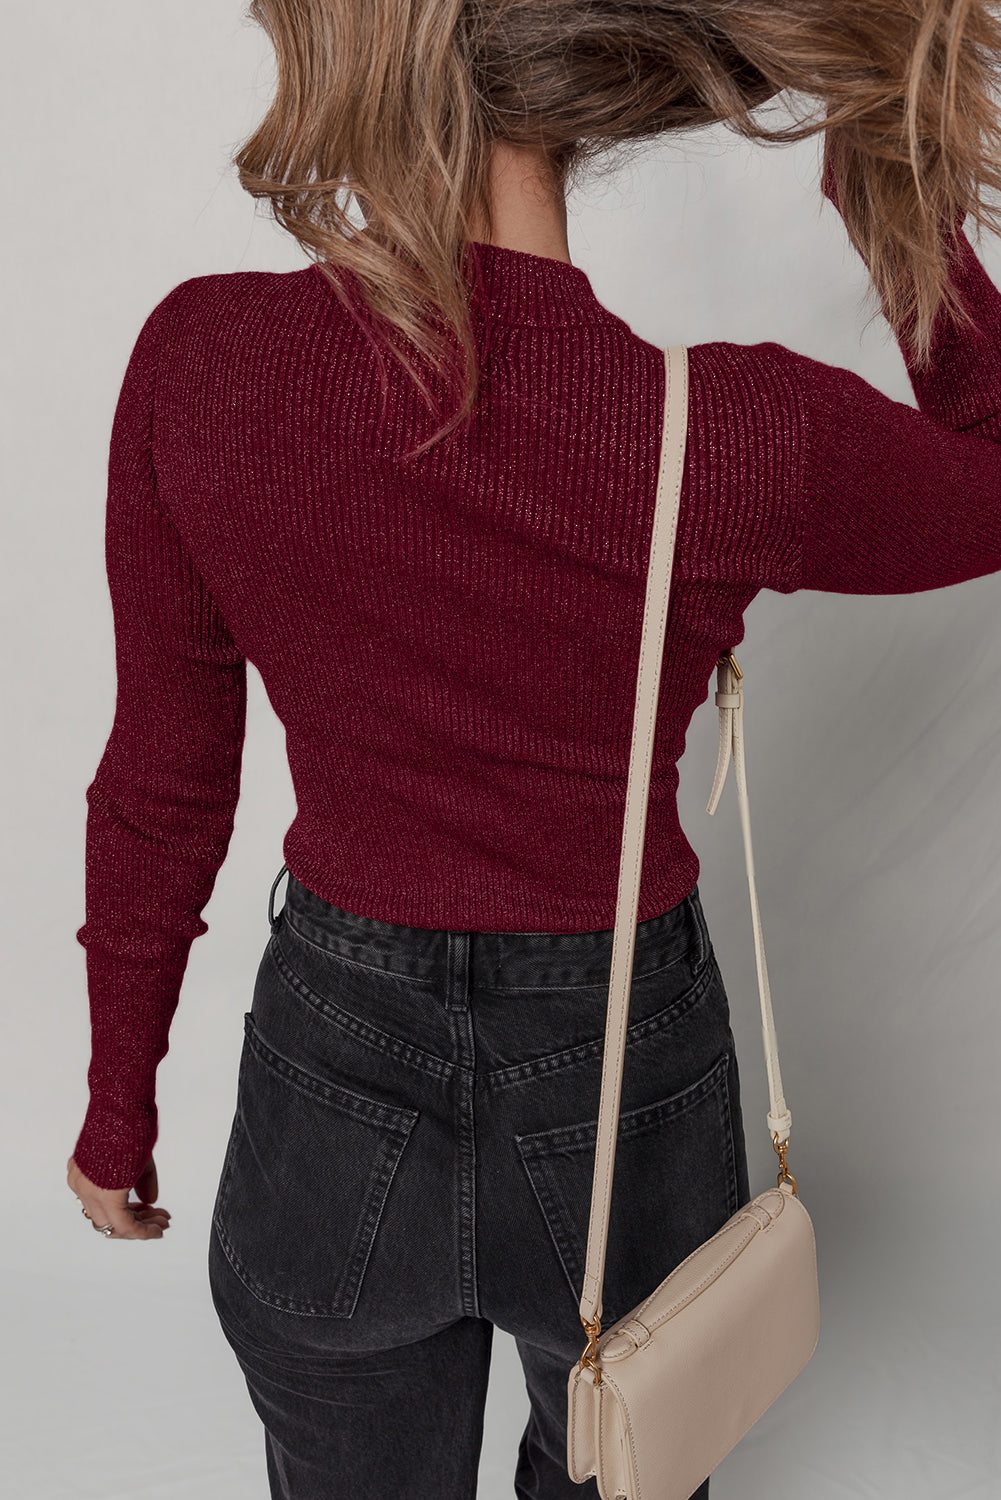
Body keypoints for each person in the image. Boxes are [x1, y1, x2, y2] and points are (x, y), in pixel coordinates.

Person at [66, 1, 1001, 1496]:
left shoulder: (207, 363)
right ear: (579, 84)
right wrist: (903, 221)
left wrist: (119, 1102)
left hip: (334, 1061)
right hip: (624, 1063)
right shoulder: (728, 435)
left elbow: (163, 781)